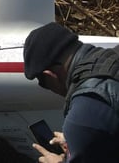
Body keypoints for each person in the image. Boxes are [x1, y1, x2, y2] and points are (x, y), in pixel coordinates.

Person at [23, 22, 119, 163]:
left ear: (50, 75)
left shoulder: (85, 110)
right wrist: (81, 139)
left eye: (42, 83)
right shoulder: (112, 57)